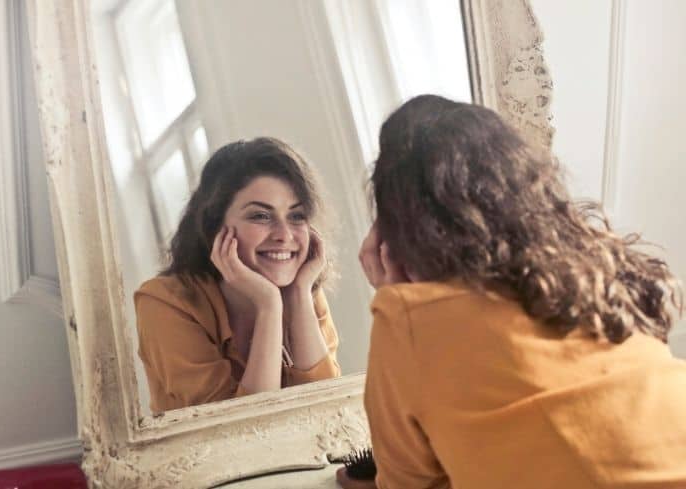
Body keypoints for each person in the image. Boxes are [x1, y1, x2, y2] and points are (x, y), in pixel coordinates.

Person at [354, 95, 686, 488]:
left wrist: (391, 295)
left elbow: (407, 485)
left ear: (395, 235)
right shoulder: (596, 270)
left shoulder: (409, 319)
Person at [134, 137, 341, 414]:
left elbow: (327, 411)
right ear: (214, 227)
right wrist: (268, 306)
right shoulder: (164, 302)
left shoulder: (302, 290)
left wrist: (299, 296)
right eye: (260, 216)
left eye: (296, 216)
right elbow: (237, 429)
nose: (284, 235)